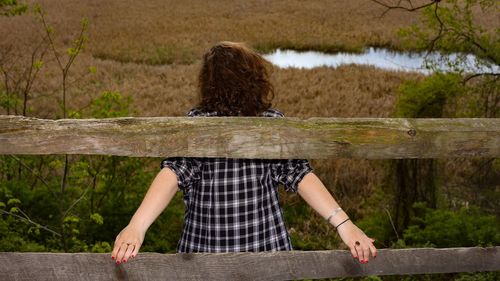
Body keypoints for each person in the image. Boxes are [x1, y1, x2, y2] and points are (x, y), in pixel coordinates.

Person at [111, 41, 377, 264]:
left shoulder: (199, 122)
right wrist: (344, 224)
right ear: (253, 78)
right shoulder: (264, 121)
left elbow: (173, 174)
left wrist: (137, 226)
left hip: (210, 257)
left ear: (209, 82)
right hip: (260, 256)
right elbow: (300, 175)